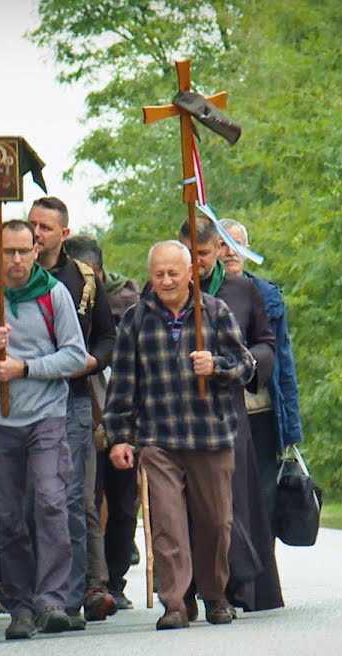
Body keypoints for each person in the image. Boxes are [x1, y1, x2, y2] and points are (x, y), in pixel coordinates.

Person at [104, 240, 255, 629]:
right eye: (159, 274)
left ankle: (215, 595)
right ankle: (174, 603)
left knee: (216, 522)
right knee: (167, 524)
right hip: (159, 438)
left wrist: (216, 366)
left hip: (211, 436)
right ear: (150, 276)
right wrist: (119, 435)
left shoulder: (216, 313)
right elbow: (122, 382)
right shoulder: (137, 319)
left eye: (174, 272)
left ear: (191, 273)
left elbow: (246, 367)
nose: (167, 280)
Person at [0, 219, 87, 640]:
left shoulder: (54, 294)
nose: (16, 260)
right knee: (8, 515)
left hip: (45, 415)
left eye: (23, 251)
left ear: (35, 249)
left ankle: (52, 600)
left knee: (49, 501)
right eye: (7, 252)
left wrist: (26, 367)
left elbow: (75, 356)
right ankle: (21, 604)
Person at [29, 198, 118, 628]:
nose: (36, 233)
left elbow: (106, 336)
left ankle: (82, 591)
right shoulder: (15, 278)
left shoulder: (82, 280)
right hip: (27, 401)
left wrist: (91, 362)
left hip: (73, 400)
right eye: (32, 225)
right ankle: (40, 592)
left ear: (63, 234)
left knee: (77, 500)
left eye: (44, 227)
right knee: (37, 500)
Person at [186, 216, 280, 614]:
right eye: (189, 254)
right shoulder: (166, 290)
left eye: (204, 254)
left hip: (229, 410)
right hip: (183, 417)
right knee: (189, 505)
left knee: (235, 501)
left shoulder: (242, 291)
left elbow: (267, 345)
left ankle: (243, 587)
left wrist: (242, 363)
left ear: (218, 251)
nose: (197, 264)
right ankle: (188, 590)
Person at [219, 218, 304, 556]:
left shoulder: (266, 296)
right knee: (226, 496)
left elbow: (283, 361)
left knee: (264, 494)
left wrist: (292, 428)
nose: (230, 252)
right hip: (221, 413)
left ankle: (260, 570)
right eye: (223, 244)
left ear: (248, 250)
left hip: (262, 411)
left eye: (237, 244)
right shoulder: (204, 296)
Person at [65, 235, 139, 611]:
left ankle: (116, 578)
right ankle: (92, 581)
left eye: (88, 274)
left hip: (124, 412)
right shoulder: (71, 304)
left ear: (99, 269)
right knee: (89, 498)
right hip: (89, 410)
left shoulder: (130, 301)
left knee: (125, 503)